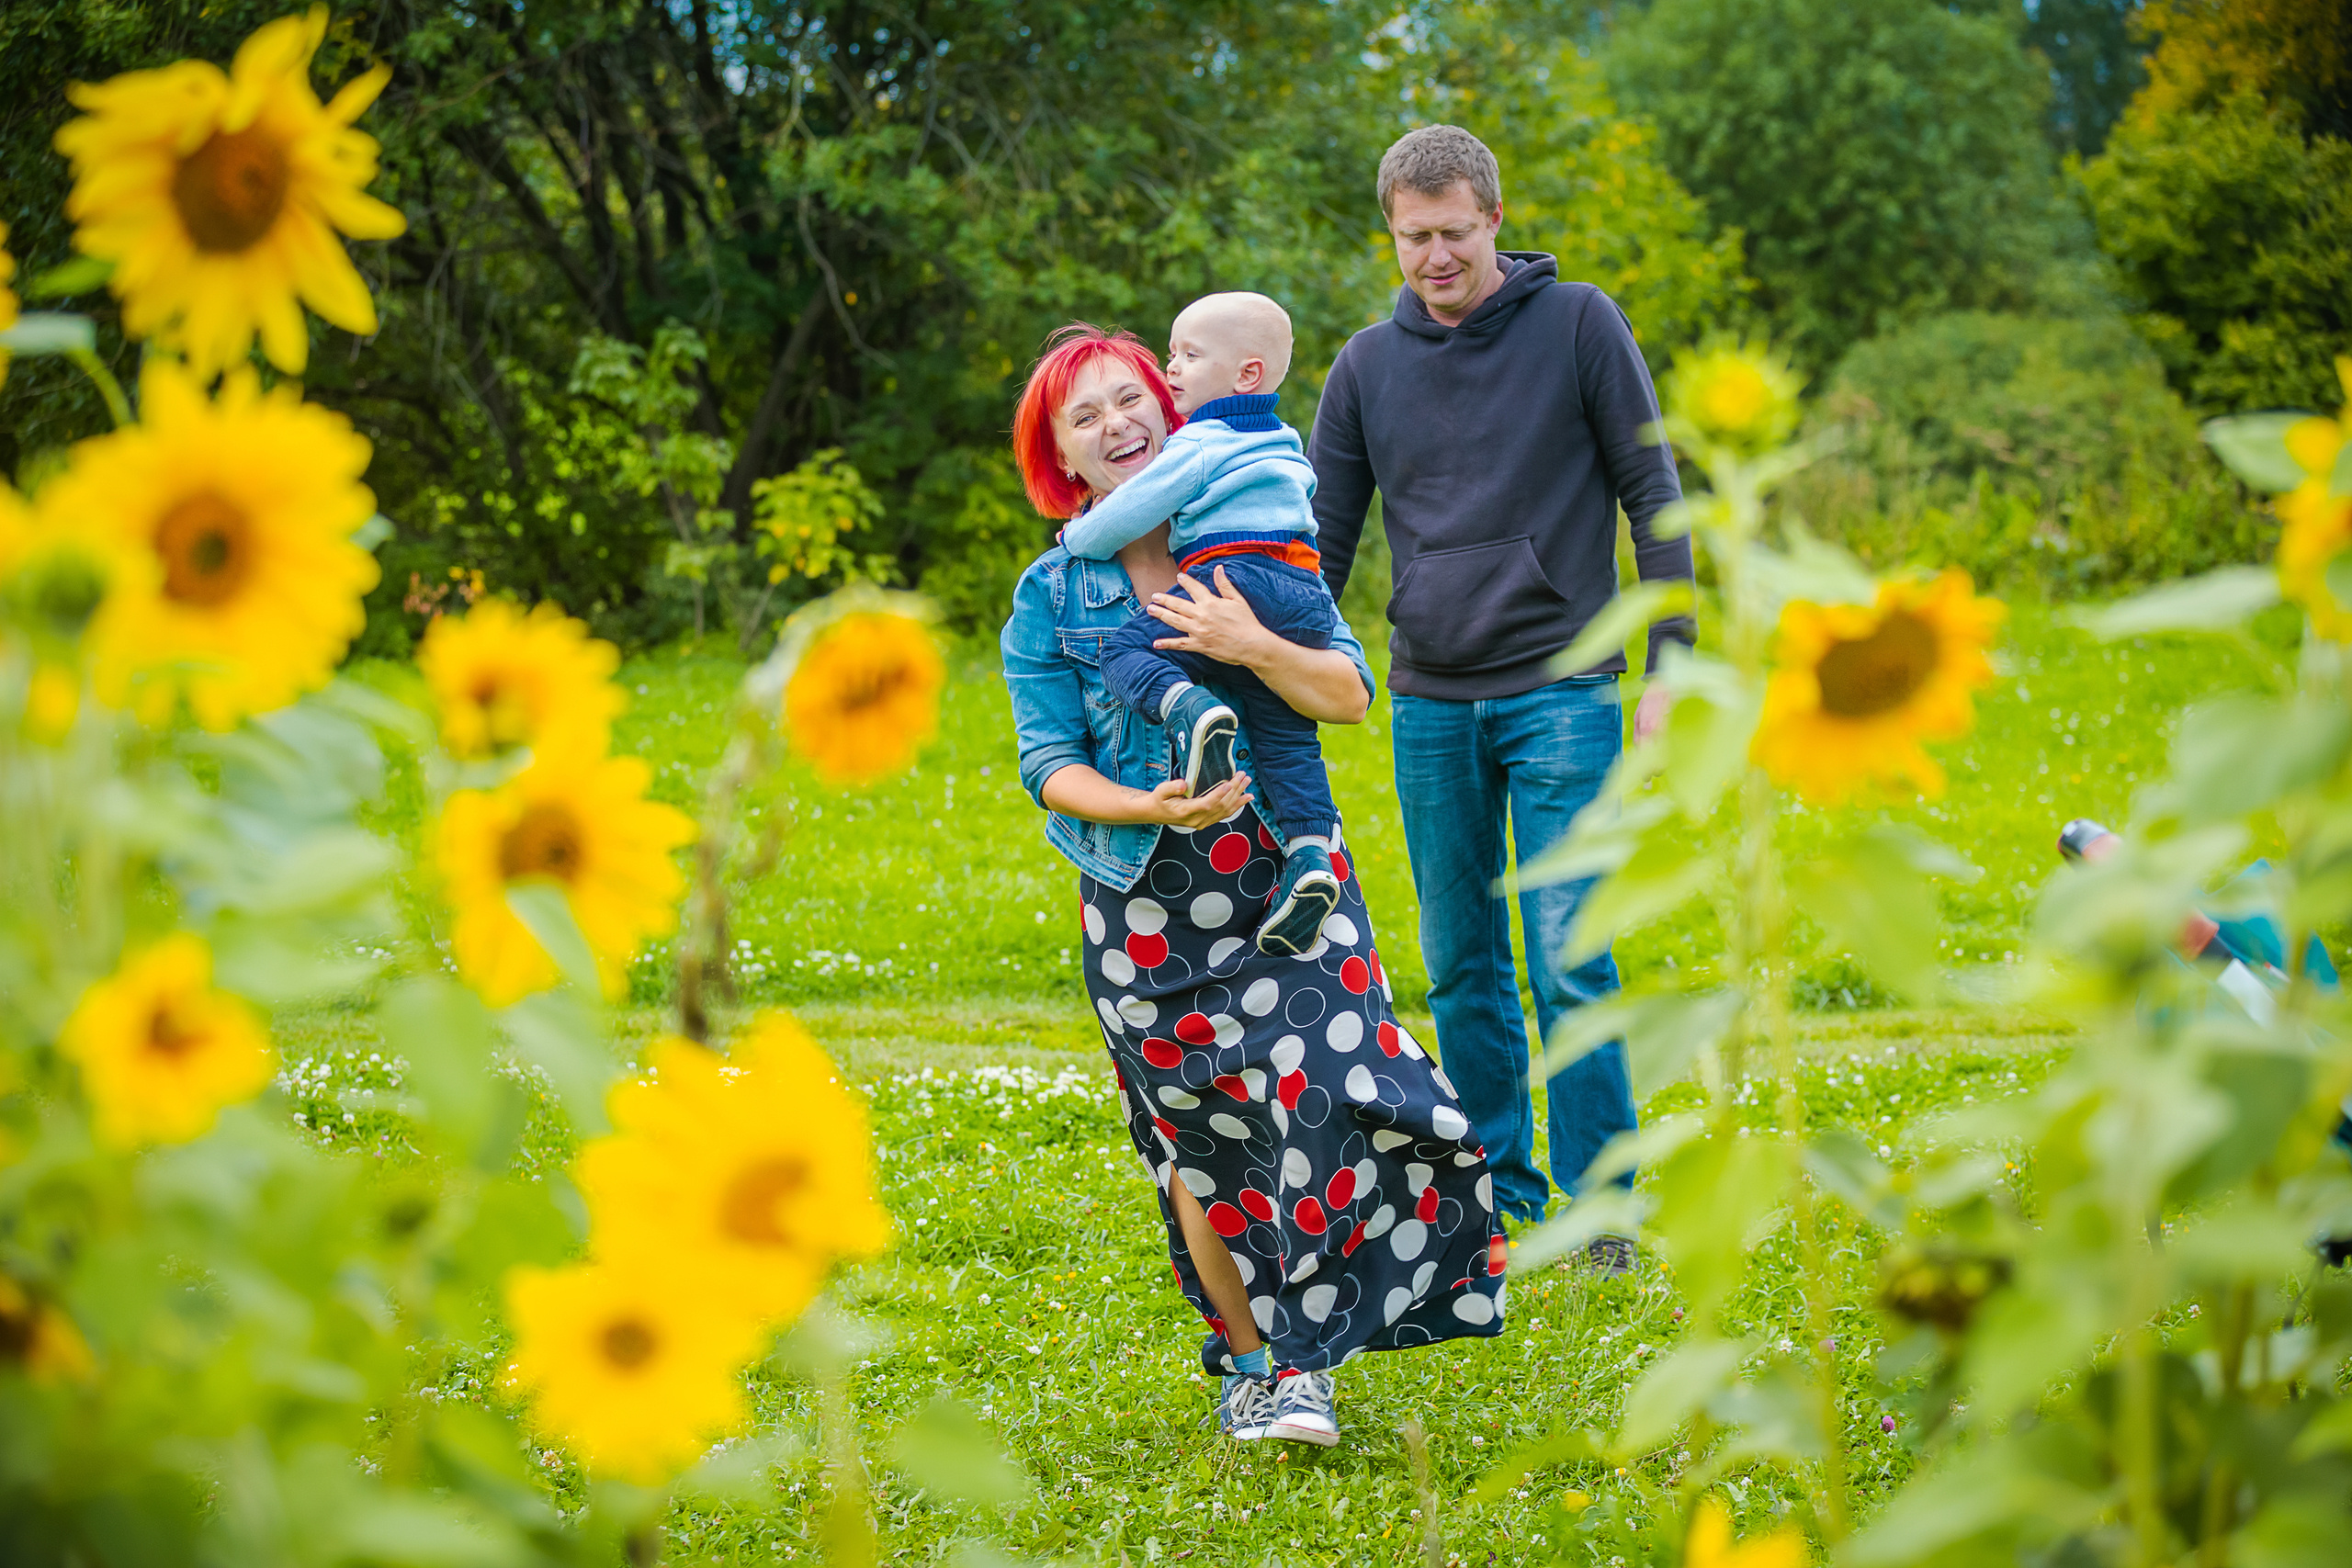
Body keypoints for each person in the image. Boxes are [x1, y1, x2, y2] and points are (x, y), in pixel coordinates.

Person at [1001, 323, 1508, 1448]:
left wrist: (1249, 642)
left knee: (1327, 1088)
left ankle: (1316, 1345)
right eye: (1082, 418)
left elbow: (1346, 694)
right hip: (1145, 907)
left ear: (1169, 410)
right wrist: (1152, 806)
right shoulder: (1051, 596)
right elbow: (1049, 765)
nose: (1115, 424)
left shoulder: (1246, 535)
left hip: (1288, 879)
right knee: (1199, 1141)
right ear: (1063, 462)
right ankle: (1258, 1365)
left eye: (1128, 399)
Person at [1307, 124, 1695, 1265]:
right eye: (1411, 238)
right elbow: (1322, 546)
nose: (1433, 257)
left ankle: (1602, 1210)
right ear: (1393, 234)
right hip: (1430, 701)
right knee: (1459, 962)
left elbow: (1651, 493)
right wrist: (1292, 670)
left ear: (1494, 220)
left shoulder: (1581, 325)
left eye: (1452, 233)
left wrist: (1670, 664)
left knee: (1570, 952)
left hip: (1565, 688)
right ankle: (1501, 1200)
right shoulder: (1363, 369)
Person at [1059, 291, 1344, 955]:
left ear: (1244, 374)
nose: (1174, 367)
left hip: (1230, 578)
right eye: (1171, 354)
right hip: (1301, 585)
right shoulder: (1283, 438)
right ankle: (1309, 858)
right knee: (1286, 737)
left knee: (1129, 655)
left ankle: (1191, 710)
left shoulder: (1202, 444)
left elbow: (1132, 509)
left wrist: (1076, 538)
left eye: (1187, 356)